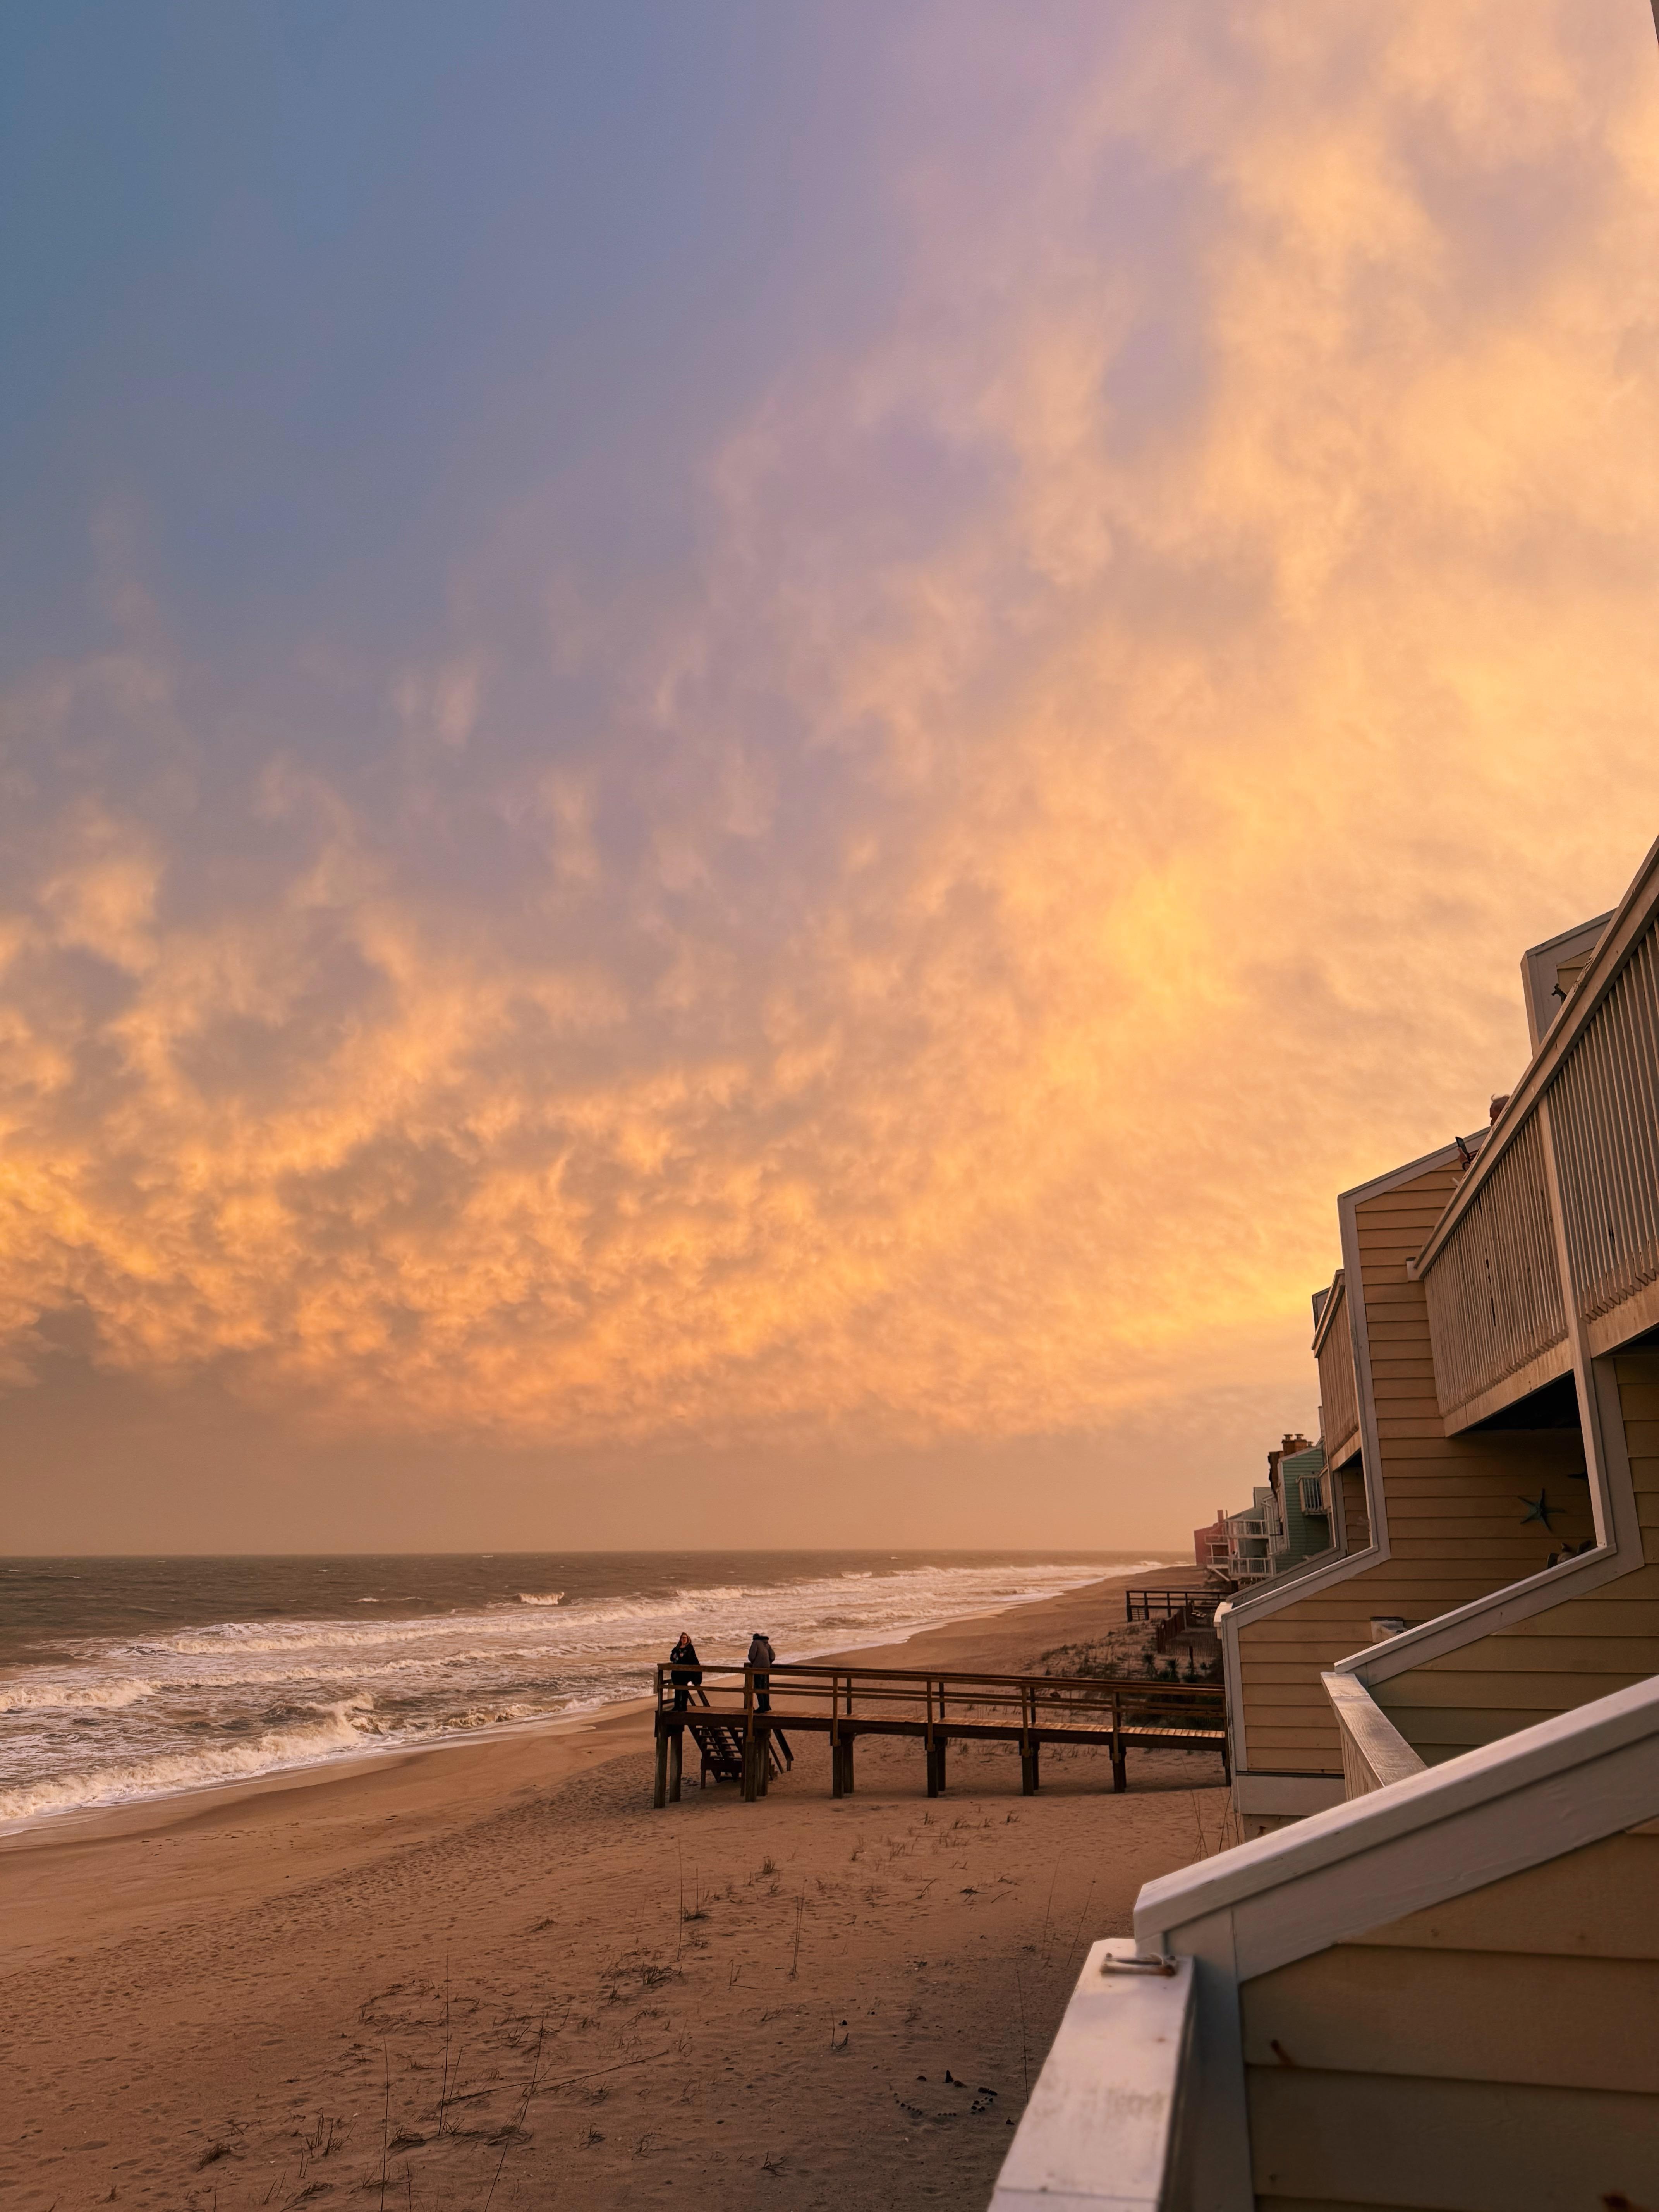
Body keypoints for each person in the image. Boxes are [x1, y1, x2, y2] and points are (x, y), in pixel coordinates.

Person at [747, 1630, 792, 1767]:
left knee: (758, 1688)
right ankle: (766, 1705)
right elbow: (773, 1656)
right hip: (767, 1667)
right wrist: (768, 1663)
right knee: (765, 1687)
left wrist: (755, 1662)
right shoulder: (767, 1643)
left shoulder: (755, 1643)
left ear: (755, 1638)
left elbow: (751, 1656)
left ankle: (762, 1707)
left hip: (758, 1668)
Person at [668, 1631, 702, 1712]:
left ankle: (683, 1706)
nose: (684, 1639)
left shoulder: (689, 1648)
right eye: (683, 1638)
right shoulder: (677, 1648)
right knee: (677, 1689)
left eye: (685, 1638)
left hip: (685, 1672)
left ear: (688, 1639)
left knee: (684, 1689)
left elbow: (692, 1659)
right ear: (680, 1639)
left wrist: (684, 1656)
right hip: (676, 1672)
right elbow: (672, 1658)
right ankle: (676, 1706)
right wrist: (674, 1656)